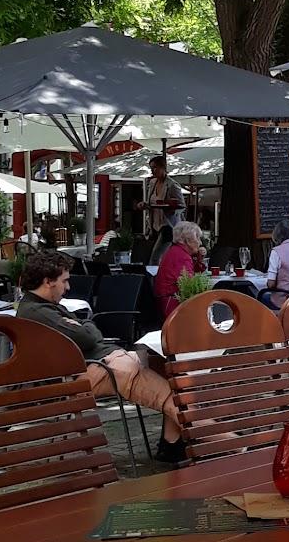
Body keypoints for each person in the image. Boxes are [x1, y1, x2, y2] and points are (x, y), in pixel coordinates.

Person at [16, 249, 187, 462]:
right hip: (91, 371)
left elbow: (85, 330)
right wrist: (85, 324)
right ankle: (218, 440)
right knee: (173, 397)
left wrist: (83, 325)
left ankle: (172, 444)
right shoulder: (37, 312)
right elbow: (88, 336)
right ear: (48, 281)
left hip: (100, 363)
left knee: (170, 371)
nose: (68, 287)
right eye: (64, 281)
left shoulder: (43, 307)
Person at [153, 220, 205, 318]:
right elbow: (190, 286)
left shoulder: (176, 251)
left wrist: (198, 258)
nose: (200, 242)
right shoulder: (182, 256)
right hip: (173, 305)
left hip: (166, 302)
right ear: (188, 240)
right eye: (198, 238)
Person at [141, 156, 186, 265]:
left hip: (167, 225)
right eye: (151, 168)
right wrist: (145, 205)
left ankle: (155, 274)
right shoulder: (152, 183)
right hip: (153, 225)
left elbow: (182, 206)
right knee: (155, 256)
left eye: (155, 167)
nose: (153, 170)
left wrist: (170, 208)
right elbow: (151, 202)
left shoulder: (172, 185)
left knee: (155, 256)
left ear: (163, 167)